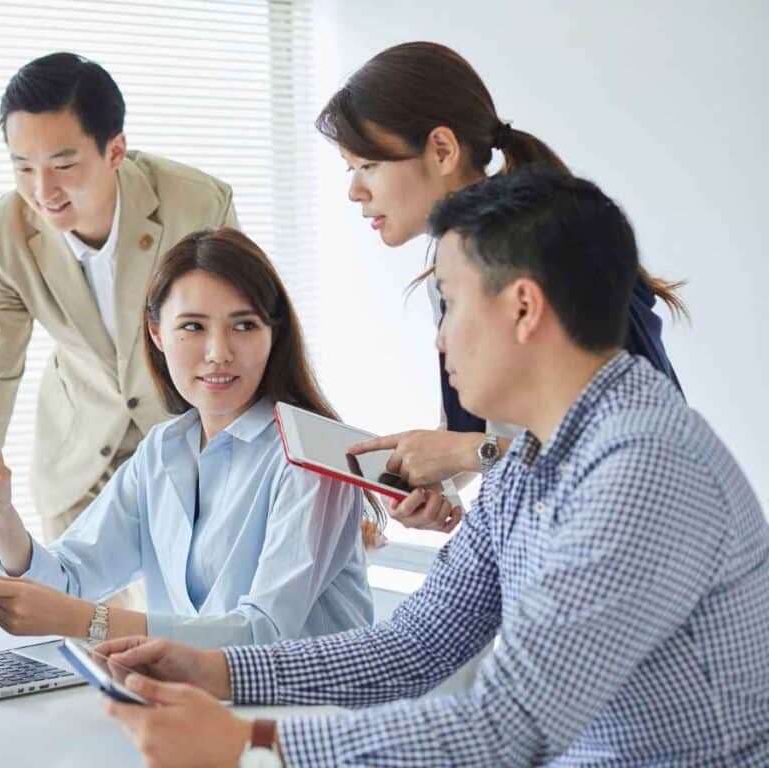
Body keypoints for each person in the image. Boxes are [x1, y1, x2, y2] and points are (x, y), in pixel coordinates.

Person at [96, 171, 769, 766]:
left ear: (523, 308)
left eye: (449, 301)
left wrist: (252, 747)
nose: (440, 336)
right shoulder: (530, 455)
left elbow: (510, 728)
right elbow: (416, 644)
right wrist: (215, 670)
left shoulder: (640, 470)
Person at [0, 228, 376, 648]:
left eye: (244, 326)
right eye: (193, 327)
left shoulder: (314, 458)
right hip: (197, 704)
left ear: (273, 334)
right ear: (156, 334)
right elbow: (71, 580)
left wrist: (85, 621)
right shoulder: (164, 450)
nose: (218, 353)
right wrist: (0, 515)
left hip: (311, 714)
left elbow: (261, 636)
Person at [322, 42, 686, 532]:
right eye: (351, 169)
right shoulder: (450, 270)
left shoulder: (546, 253)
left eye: (369, 166)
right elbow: (482, 438)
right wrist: (438, 474)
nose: (354, 191)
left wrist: (468, 452)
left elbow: (632, 456)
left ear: (443, 151)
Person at [0, 52, 239, 551]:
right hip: (79, 470)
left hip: (190, 454)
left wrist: (303, 477)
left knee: (168, 625)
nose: (42, 190)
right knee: (85, 624)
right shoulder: (2, 233)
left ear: (115, 150)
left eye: (63, 165)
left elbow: (248, 343)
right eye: (23, 167)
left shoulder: (197, 205)